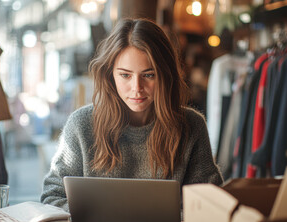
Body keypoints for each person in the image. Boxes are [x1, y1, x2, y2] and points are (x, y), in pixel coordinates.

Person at [41, 18, 223, 211]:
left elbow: (210, 203)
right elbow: (53, 196)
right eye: (125, 75)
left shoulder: (191, 126)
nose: (137, 88)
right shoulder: (81, 125)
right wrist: (97, 220)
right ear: (110, 75)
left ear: (165, 75)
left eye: (148, 75)